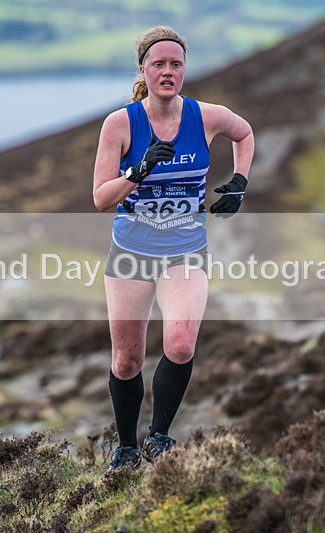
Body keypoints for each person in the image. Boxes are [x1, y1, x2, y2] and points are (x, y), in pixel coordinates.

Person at [93, 26, 254, 473]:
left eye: (176, 64)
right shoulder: (120, 123)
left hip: (186, 250)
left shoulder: (206, 116)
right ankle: (126, 448)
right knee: (127, 359)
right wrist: (138, 170)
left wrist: (239, 183)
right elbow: (101, 199)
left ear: (184, 70)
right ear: (143, 69)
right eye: (159, 64)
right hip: (131, 253)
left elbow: (244, 133)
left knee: (181, 345)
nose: (168, 72)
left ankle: (159, 437)